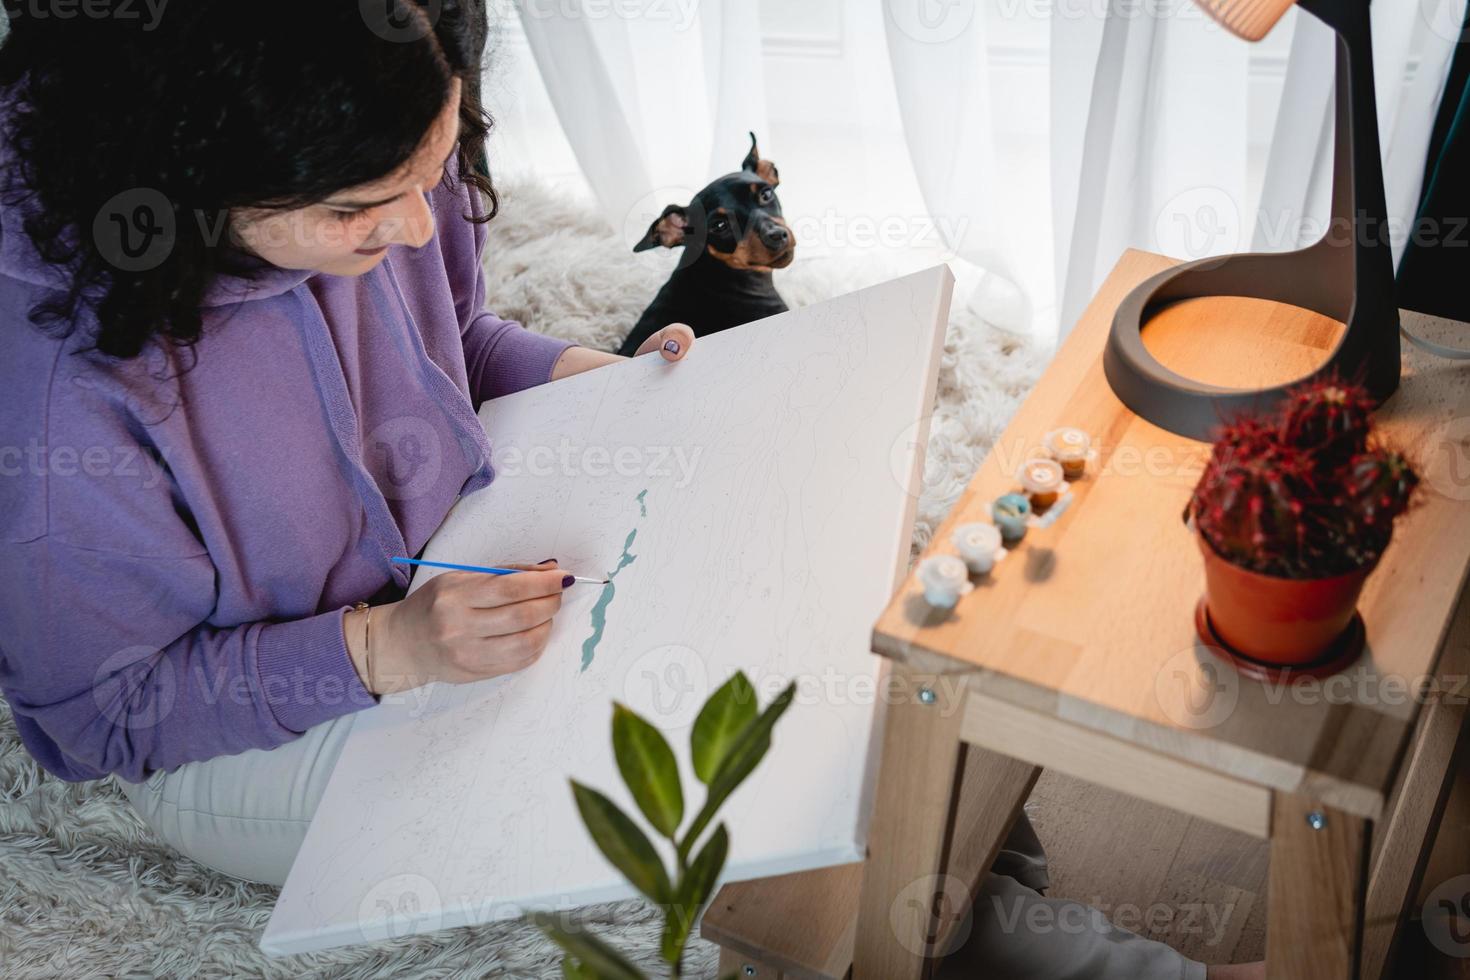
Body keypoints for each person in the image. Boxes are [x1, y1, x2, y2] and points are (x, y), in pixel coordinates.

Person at [0, 5, 1261, 977]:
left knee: (834, 594)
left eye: (433, 170)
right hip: (236, 726)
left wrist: (590, 377)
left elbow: (448, 341)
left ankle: (988, 889)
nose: (413, 222)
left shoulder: (380, 162)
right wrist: (382, 646)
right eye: (358, 212)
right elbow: (100, 720)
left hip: (443, 566)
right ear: (197, 188)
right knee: (692, 772)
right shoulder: (70, 388)